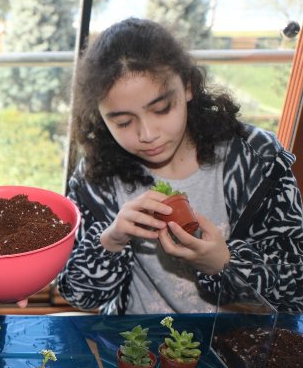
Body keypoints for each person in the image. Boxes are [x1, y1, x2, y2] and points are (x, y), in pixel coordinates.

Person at [57, 17, 303, 314]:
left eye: (161, 109)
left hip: (237, 346)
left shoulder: (256, 159)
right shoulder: (95, 178)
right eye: (122, 122)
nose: (147, 135)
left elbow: (296, 285)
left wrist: (226, 264)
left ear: (187, 86)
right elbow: (78, 294)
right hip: (134, 346)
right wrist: (111, 241)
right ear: (100, 115)